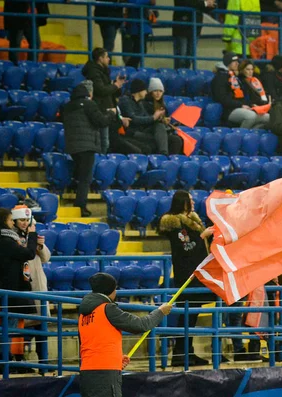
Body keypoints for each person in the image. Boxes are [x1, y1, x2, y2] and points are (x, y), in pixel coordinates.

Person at [78, 273, 172, 397]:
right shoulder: (108, 308)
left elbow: (92, 342)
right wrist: (160, 312)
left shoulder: (83, 315)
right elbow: (140, 325)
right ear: (110, 290)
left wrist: (116, 359)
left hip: (87, 371)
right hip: (106, 373)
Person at [158, 191, 214, 366]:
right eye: (189, 200)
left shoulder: (193, 221)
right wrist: (202, 235)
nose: (193, 202)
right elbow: (186, 247)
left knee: (192, 315)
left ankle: (187, 352)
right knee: (187, 315)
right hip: (187, 275)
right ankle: (180, 354)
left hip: (198, 273)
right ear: (182, 202)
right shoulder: (174, 224)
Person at [0, 208, 38, 374]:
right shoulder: (5, 240)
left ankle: (7, 360)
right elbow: (28, 253)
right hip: (9, 289)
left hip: (13, 289)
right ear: (5, 221)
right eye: (11, 220)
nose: (13, 223)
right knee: (7, 328)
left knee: (11, 327)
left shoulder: (7, 239)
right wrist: (32, 235)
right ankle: (0, 362)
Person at [63, 83, 119, 217]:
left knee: (80, 173)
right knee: (85, 177)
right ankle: (80, 206)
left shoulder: (67, 107)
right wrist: (111, 114)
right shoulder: (89, 104)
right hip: (87, 146)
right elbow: (101, 122)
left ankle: (75, 196)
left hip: (72, 146)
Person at [11, 205, 51, 370]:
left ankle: (44, 363)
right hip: (25, 287)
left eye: (26, 220)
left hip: (39, 286)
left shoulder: (33, 236)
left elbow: (46, 258)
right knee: (22, 330)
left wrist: (40, 246)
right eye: (21, 220)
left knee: (42, 328)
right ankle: (20, 362)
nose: (24, 223)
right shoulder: (13, 238)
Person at [82, 48, 126, 153]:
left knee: (106, 141)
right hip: (100, 110)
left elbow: (108, 90)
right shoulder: (94, 72)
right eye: (106, 57)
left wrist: (116, 85)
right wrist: (115, 85)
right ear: (100, 58)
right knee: (103, 141)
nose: (109, 59)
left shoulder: (103, 72)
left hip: (107, 111)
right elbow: (101, 90)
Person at [119, 79, 178, 155]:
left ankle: (166, 158)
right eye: (144, 90)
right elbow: (134, 119)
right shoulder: (126, 101)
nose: (146, 92)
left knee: (174, 139)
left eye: (161, 91)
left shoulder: (140, 103)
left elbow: (147, 117)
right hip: (133, 132)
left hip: (142, 130)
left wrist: (161, 120)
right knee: (158, 138)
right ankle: (163, 155)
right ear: (139, 91)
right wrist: (154, 117)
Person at [211, 52, 269, 129]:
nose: (237, 63)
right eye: (234, 62)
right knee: (250, 116)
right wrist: (240, 105)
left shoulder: (235, 77)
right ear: (228, 63)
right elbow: (222, 98)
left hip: (241, 107)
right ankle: (240, 135)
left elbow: (243, 96)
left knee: (267, 117)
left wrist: (251, 105)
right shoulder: (220, 78)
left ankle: (251, 135)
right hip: (229, 110)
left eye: (237, 61)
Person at [141, 77, 184, 155]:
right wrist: (159, 120)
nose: (158, 93)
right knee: (159, 125)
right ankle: (163, 154)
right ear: (150, 92)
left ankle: (170, 161)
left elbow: (163, 121)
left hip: (161, 132)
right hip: (148, 130)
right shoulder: (144, 104)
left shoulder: (163, 106)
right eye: (155, 91)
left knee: (177, 139)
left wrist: (168, 123)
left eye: (160, 91)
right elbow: (145, 119)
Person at [173, 0, 217, 69]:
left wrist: (212, 4)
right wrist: (205, 3)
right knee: (181, 56)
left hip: (195, 27)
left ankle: (187, 76)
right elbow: (184, 3)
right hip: (182, 27)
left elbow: (202, 7)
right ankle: (179, 77)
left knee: (190, 56)